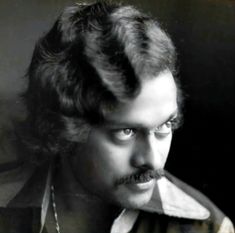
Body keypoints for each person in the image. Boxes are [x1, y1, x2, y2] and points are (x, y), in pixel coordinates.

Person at [0, 1, 234, 233]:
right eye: (127, 132)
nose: (152, 160)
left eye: (165, 125)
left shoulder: (209, 228)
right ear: (65, 129)